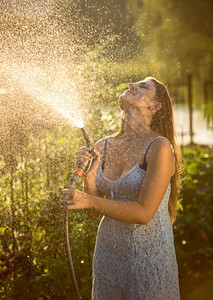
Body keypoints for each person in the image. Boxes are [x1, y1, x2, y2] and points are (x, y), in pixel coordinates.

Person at [60, 76, 181, 300]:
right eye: (135, 83)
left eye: (143, 86)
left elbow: (144, 213)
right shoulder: (103, 146)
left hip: (148, 262)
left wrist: (87, 200)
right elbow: (93, 212)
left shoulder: (159, 148)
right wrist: (91, 176)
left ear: (155, 106)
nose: (131, 85)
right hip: (108, 260)